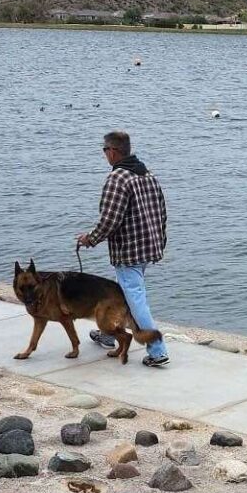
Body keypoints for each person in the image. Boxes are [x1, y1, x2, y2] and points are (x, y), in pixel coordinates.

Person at [76, 130, 171, 368]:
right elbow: (162, 213)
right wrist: (160, 242)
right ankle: (109, 334)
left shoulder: (118, 178)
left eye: (104, 150)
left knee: (135, 299)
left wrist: (90, 238)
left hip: (129, 251)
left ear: (113, 151)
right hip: (148, 247)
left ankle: (158, 350)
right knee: (123, 294)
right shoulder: (147, 174)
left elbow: (110, 219)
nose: (104, 154)